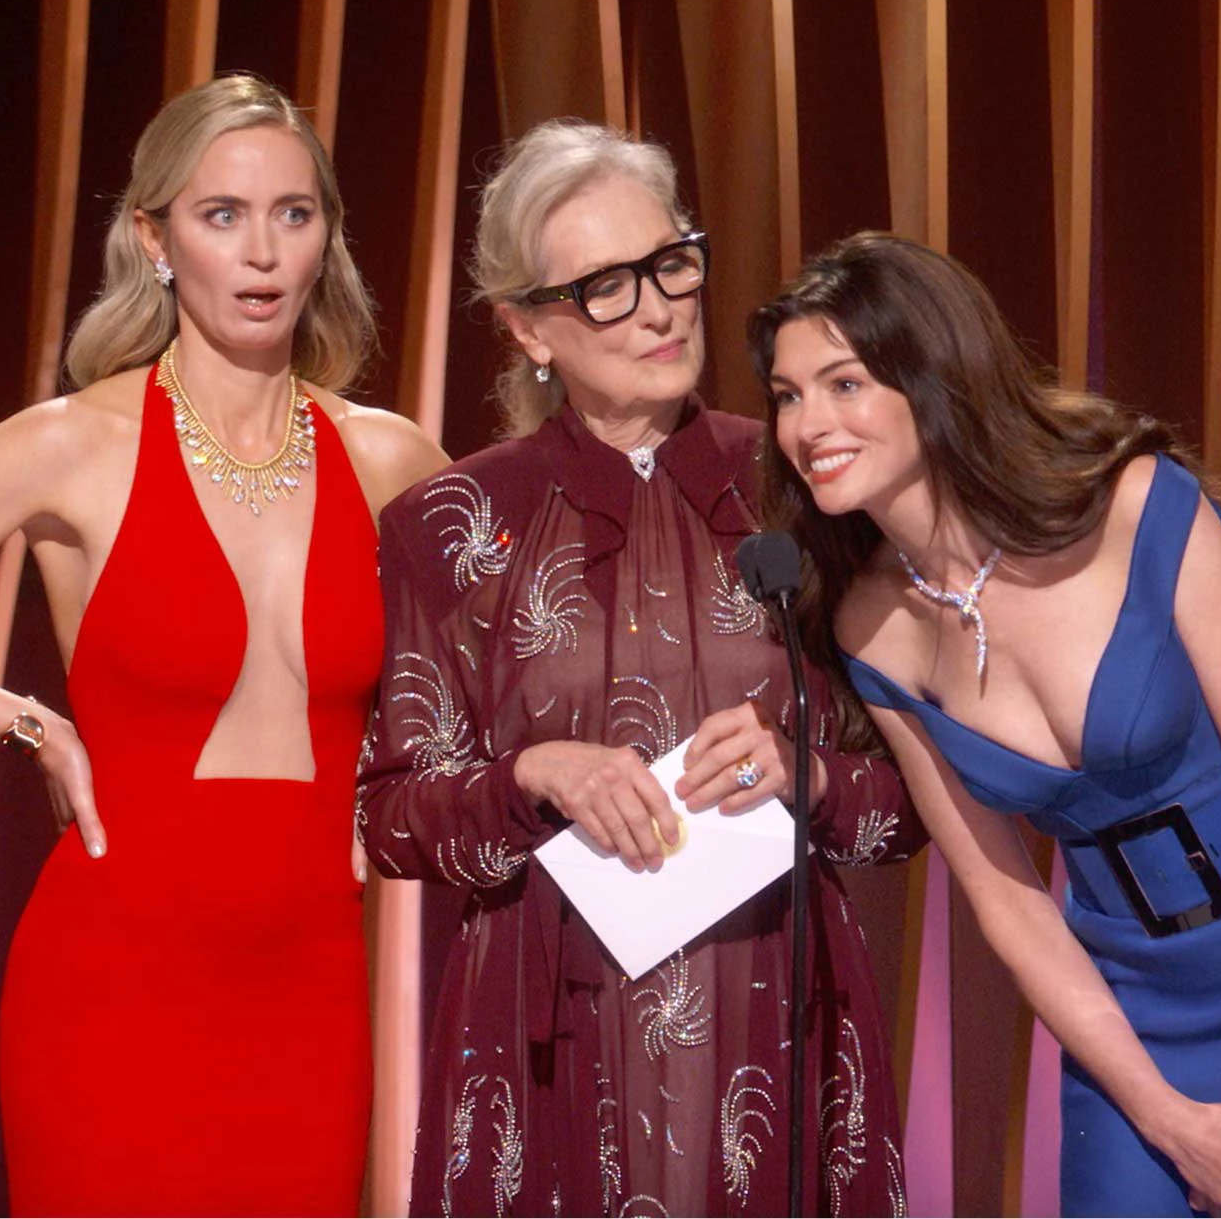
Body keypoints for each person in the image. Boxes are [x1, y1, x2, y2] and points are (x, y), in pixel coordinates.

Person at [0, 73, 445, 1215]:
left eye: (294, 212)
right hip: (112, 981)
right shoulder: (73, 443)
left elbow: (501, 672)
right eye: (222, 214)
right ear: (155, 238)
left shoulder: (392, 459)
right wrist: (27, 721)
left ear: (327, 235)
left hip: (310, 986)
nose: (263, 250)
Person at [749, 235, 1221, 1218]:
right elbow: (1006, 897)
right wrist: (1168, 1117)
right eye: (787, 395)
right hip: (1134, 998)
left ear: (933, 378)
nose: (808, 425)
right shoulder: (868, 624)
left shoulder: (1137, 508)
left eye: (843, 383)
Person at [356, 122, 924, 1217]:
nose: (661, 308)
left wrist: (806, 774)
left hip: (780, 1010)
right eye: (607, 286)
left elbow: (916, 796)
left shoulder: (808, 484)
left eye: (671, 263)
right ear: (528, 325)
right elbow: (390, 818)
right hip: (546, 1037)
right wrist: (532, 774)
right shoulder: (451, 523)